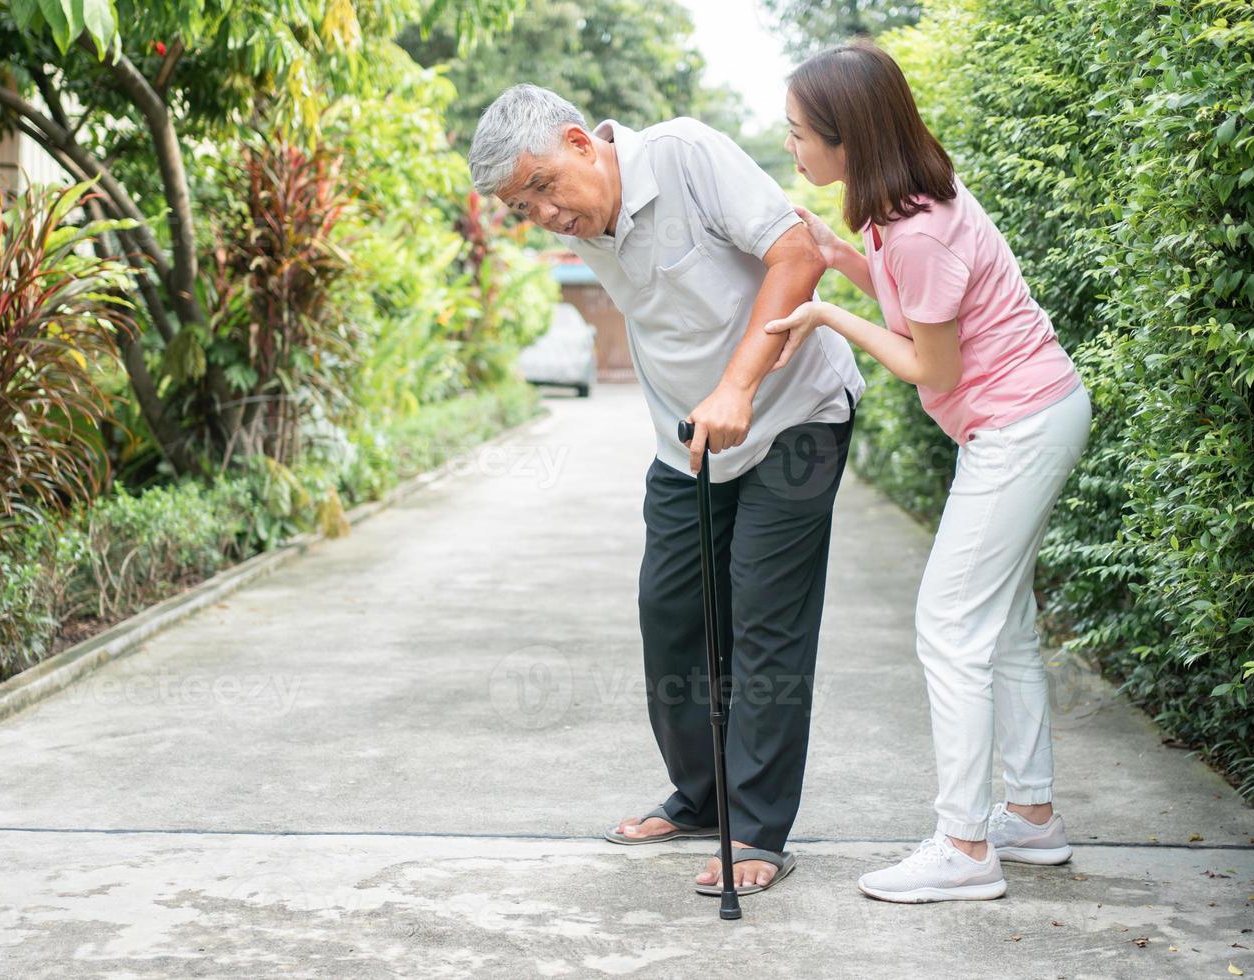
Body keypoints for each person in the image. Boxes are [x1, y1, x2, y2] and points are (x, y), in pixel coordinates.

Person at [467, 84, 866, 896]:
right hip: (689, 442)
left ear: (583, 143)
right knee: (672, 614)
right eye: (521, 204)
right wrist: (703, 404)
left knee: (764, 618)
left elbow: (798, 253)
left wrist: (739, 385)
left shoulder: (685, 154)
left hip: (796, 418)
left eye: (543, 186)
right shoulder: (586, 222)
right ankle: (701, 797)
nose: (542, 213)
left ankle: (755, 830)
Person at [765, 40, 1092, 903]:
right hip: (1031, 414)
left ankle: (965, 846)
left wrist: (830, 313)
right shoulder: (901, 204)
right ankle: (1029, 816)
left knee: (949, 624)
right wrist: (842, 261)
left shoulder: (915, 228)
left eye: (800, 133)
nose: (790, 147)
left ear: (848, 138)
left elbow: (932, 370)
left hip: (1018, 426)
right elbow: (916, 301)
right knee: (1004, 622)